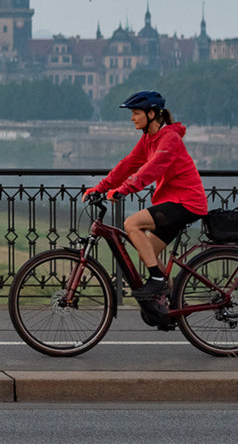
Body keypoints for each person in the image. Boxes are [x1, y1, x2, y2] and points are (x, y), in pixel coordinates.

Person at [82, 90, 209, 304]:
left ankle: (158, 280)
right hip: (172, 203)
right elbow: (128, 164)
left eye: (136, 113)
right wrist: (100, 188)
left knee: (131, 224)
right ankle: (173, 305)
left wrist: (123, 190)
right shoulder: (149, 139)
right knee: (147, 253)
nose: (132, 118)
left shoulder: (169, 138)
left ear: (151, 114)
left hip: (187, 203)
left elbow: (151, 169)